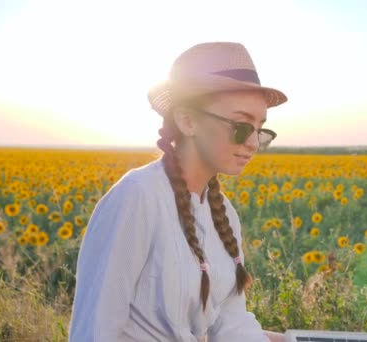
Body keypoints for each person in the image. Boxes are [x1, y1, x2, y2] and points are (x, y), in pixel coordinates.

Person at [68, 42, 287, 341]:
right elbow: (94, 331)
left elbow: (230, 322)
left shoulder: (224, 214)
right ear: (187, 120)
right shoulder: (136, 198)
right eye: (241, 126)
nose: (252, 143)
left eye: (260, 129)